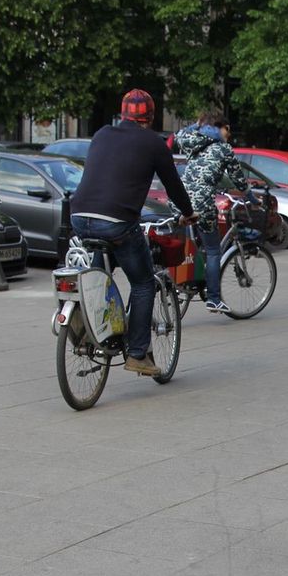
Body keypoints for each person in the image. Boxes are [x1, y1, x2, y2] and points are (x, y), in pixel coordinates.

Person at [70, 89, 197, 376]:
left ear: (123, 113)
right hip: (116, 222)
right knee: (143, 283)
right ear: (150, 116)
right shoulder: (153, 144)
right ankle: (138, 353)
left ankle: (84, 318)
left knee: (100, 275)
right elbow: (173, 186)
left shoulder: (102, 134)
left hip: (79, 216)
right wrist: (188, 214)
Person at [174, 111, 252, 313]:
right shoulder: (224, 149)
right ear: (219, 128)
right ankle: (214, 298)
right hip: (200, 204)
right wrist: (253, 198)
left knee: (183, 243)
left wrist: (198, 125)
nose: (229, 134)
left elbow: (202, 173)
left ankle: (185, 279)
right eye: (227, 129)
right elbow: (239, 180)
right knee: (213, 250)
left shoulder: (195, 142)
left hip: (179, 199)